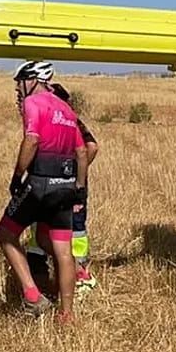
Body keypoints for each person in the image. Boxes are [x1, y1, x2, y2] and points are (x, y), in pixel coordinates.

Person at [0, 60, 90, 322]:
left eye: (20, 80)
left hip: (39, 182)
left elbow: (32, 139)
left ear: (34, 79)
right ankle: (67, 313)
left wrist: (17, 176)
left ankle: (33, 296)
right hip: (66, 184)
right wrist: (79, 189)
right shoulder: (67, 110)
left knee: (5, 233)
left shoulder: (32, 104)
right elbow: (82, 152)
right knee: (63, 251)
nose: (18, 86)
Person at [48, 81, 99, 293]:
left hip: (68, 182)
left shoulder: (70, 119)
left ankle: (80, 273)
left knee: (74, 226)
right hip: (68, 181)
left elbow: (91, 147)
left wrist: (79, 170)